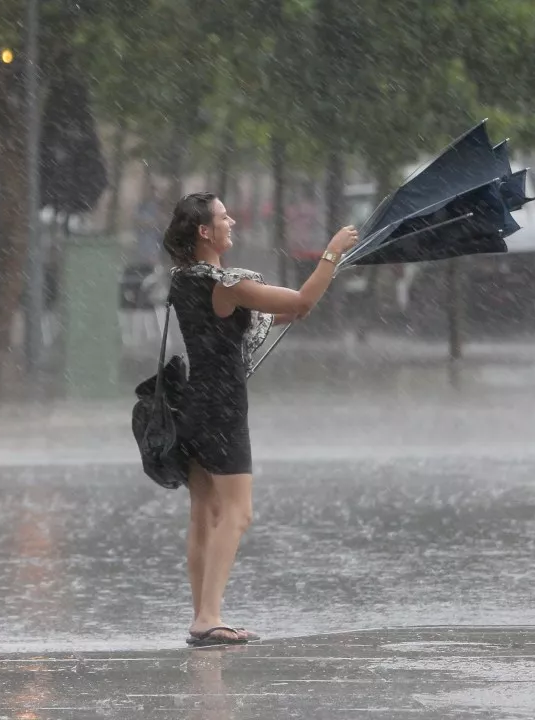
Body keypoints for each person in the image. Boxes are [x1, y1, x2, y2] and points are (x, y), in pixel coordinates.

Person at [162, 192, 357, 647]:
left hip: (193, 403)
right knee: (237, 512)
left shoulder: (185, 279)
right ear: (205, 232)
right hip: (223, 409)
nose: (232, 221)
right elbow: (304, 301)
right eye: (223, 217)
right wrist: (333, 251)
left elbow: (253, 317)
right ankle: (208, 618)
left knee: (203, 515)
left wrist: (285, 312)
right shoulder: (228, 283)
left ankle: (202, 616)